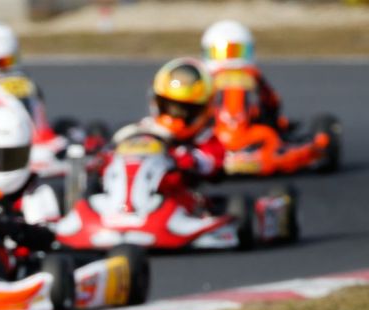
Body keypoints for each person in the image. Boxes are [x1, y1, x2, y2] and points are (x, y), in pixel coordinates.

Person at [0, 105, 60, 278]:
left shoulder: (35, 193)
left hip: (17, 269)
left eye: (10, 158)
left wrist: (10, 226)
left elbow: (47, 240)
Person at [109, 57, 226, 203]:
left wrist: (187, 158)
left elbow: (212, 162)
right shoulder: (145, 129)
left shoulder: (204, 138)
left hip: (177, 200)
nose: (175, 115)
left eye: (184, 110)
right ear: (157, 102)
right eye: (169, 106)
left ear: (203, 109)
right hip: (126, 193)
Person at [201, 20, 284, 129]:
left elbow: (272, 102)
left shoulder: (253, 75)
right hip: (210, 127)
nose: (230, 61)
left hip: (247, 129)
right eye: (224, 52)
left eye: (236, 51)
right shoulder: (204, 81)